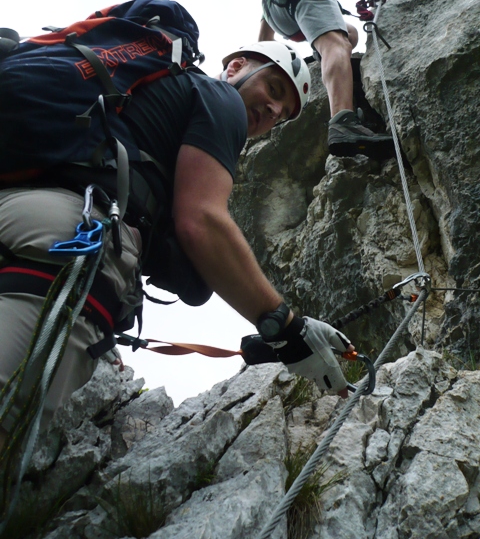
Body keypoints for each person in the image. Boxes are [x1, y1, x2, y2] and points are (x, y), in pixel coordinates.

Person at [0, 41, 354, 453]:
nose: (274, 113)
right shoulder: (220, 99)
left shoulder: (143, 105)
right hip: (69, 231)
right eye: (274, 90)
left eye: (282, 116)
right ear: (236, 66)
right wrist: (288, 328)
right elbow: (200, 221)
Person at [247, 0, 398, 159]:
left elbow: (264, 42)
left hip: (277, 13)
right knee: (335, 44)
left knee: (349, 34)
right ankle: (343, 122)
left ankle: (325, 56)